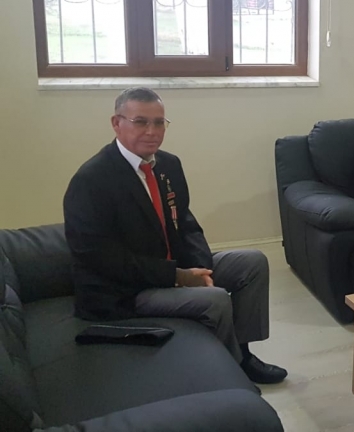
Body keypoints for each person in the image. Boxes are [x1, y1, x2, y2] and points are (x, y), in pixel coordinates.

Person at [63, 87, 287, 384]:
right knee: (215, 300)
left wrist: (200, 268)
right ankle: (229, 377)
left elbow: (185, 222)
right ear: (117, 123)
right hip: (124, 291)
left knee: (252, 263)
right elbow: (101, 259)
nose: (152, 131)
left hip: (173, 270)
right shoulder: (91, 180)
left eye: (159, 122)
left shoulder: (168, 165)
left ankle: (243, 354)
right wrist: (179, 277)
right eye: (141, 122)